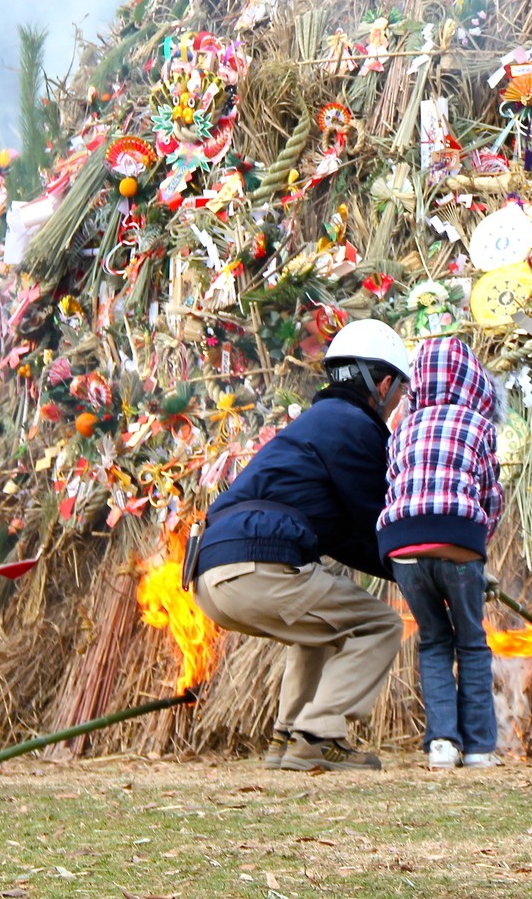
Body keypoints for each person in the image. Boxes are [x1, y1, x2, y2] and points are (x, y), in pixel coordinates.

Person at [192, 320, 414, 771]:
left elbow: (353, 541)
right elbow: (378, 524)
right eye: (398, 393)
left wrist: (405, 567)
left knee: (320, 629)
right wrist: (427, 568)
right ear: (384, 383)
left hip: (209, 575)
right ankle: (319, 732)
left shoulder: (314, 425)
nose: (396, 405)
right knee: (380, 625)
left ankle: (287, 738)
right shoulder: (352, 425)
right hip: (257, 567)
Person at [377, 336, 506, 771]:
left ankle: (441, 745)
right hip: (458, 545)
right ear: (471, 379)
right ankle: (480, 748)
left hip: (402, 547)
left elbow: (393, 485)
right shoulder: (478, 425)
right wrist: (478, 545)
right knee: (470, 642)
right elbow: (490, 495)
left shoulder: (402, 429)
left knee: (433, 641)